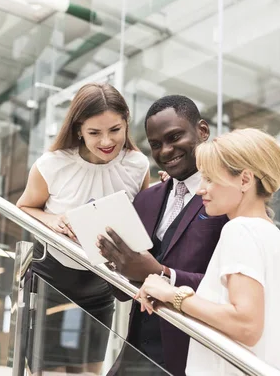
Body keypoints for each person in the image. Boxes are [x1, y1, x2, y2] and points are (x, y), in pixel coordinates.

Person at [135, 128, 280, 375]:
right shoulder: (273, 236)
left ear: (245, 180)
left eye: (210, 178)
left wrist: (172, 295)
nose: (201, 189)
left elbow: (246, 325)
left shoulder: (240, 230)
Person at [16, 82, 150, 374]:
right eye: (94, 133)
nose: (106, 141)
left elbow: (141, 219)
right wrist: (52, 220)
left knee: (88, 373)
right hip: (50, 283)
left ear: (126, 122)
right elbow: (24, 207)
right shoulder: (52, 165)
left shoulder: (137, 165)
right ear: (78, 129)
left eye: (115, 130)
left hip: (99, 285)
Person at [97, 95, 228, 376]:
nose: (166, 151)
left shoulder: (227, 196)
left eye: (175, 137)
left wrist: (163, 273)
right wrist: (115, 263)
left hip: (193, 353)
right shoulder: (145, 200)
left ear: (202, 131)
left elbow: (228, 286)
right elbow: (122, 292)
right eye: (156, 145)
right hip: (135, 353)